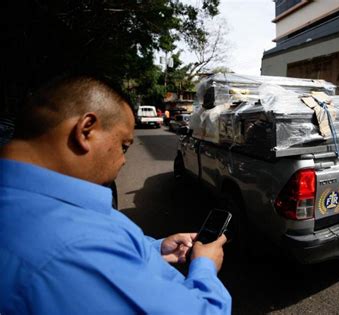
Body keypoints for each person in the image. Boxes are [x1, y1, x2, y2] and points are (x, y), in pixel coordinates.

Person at [0, 76, 231, 314]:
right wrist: (205, 267)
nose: (123, 160)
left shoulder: (28, 203)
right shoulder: (75, 248)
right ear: (86, 130)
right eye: (124, 146)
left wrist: (155, 248)